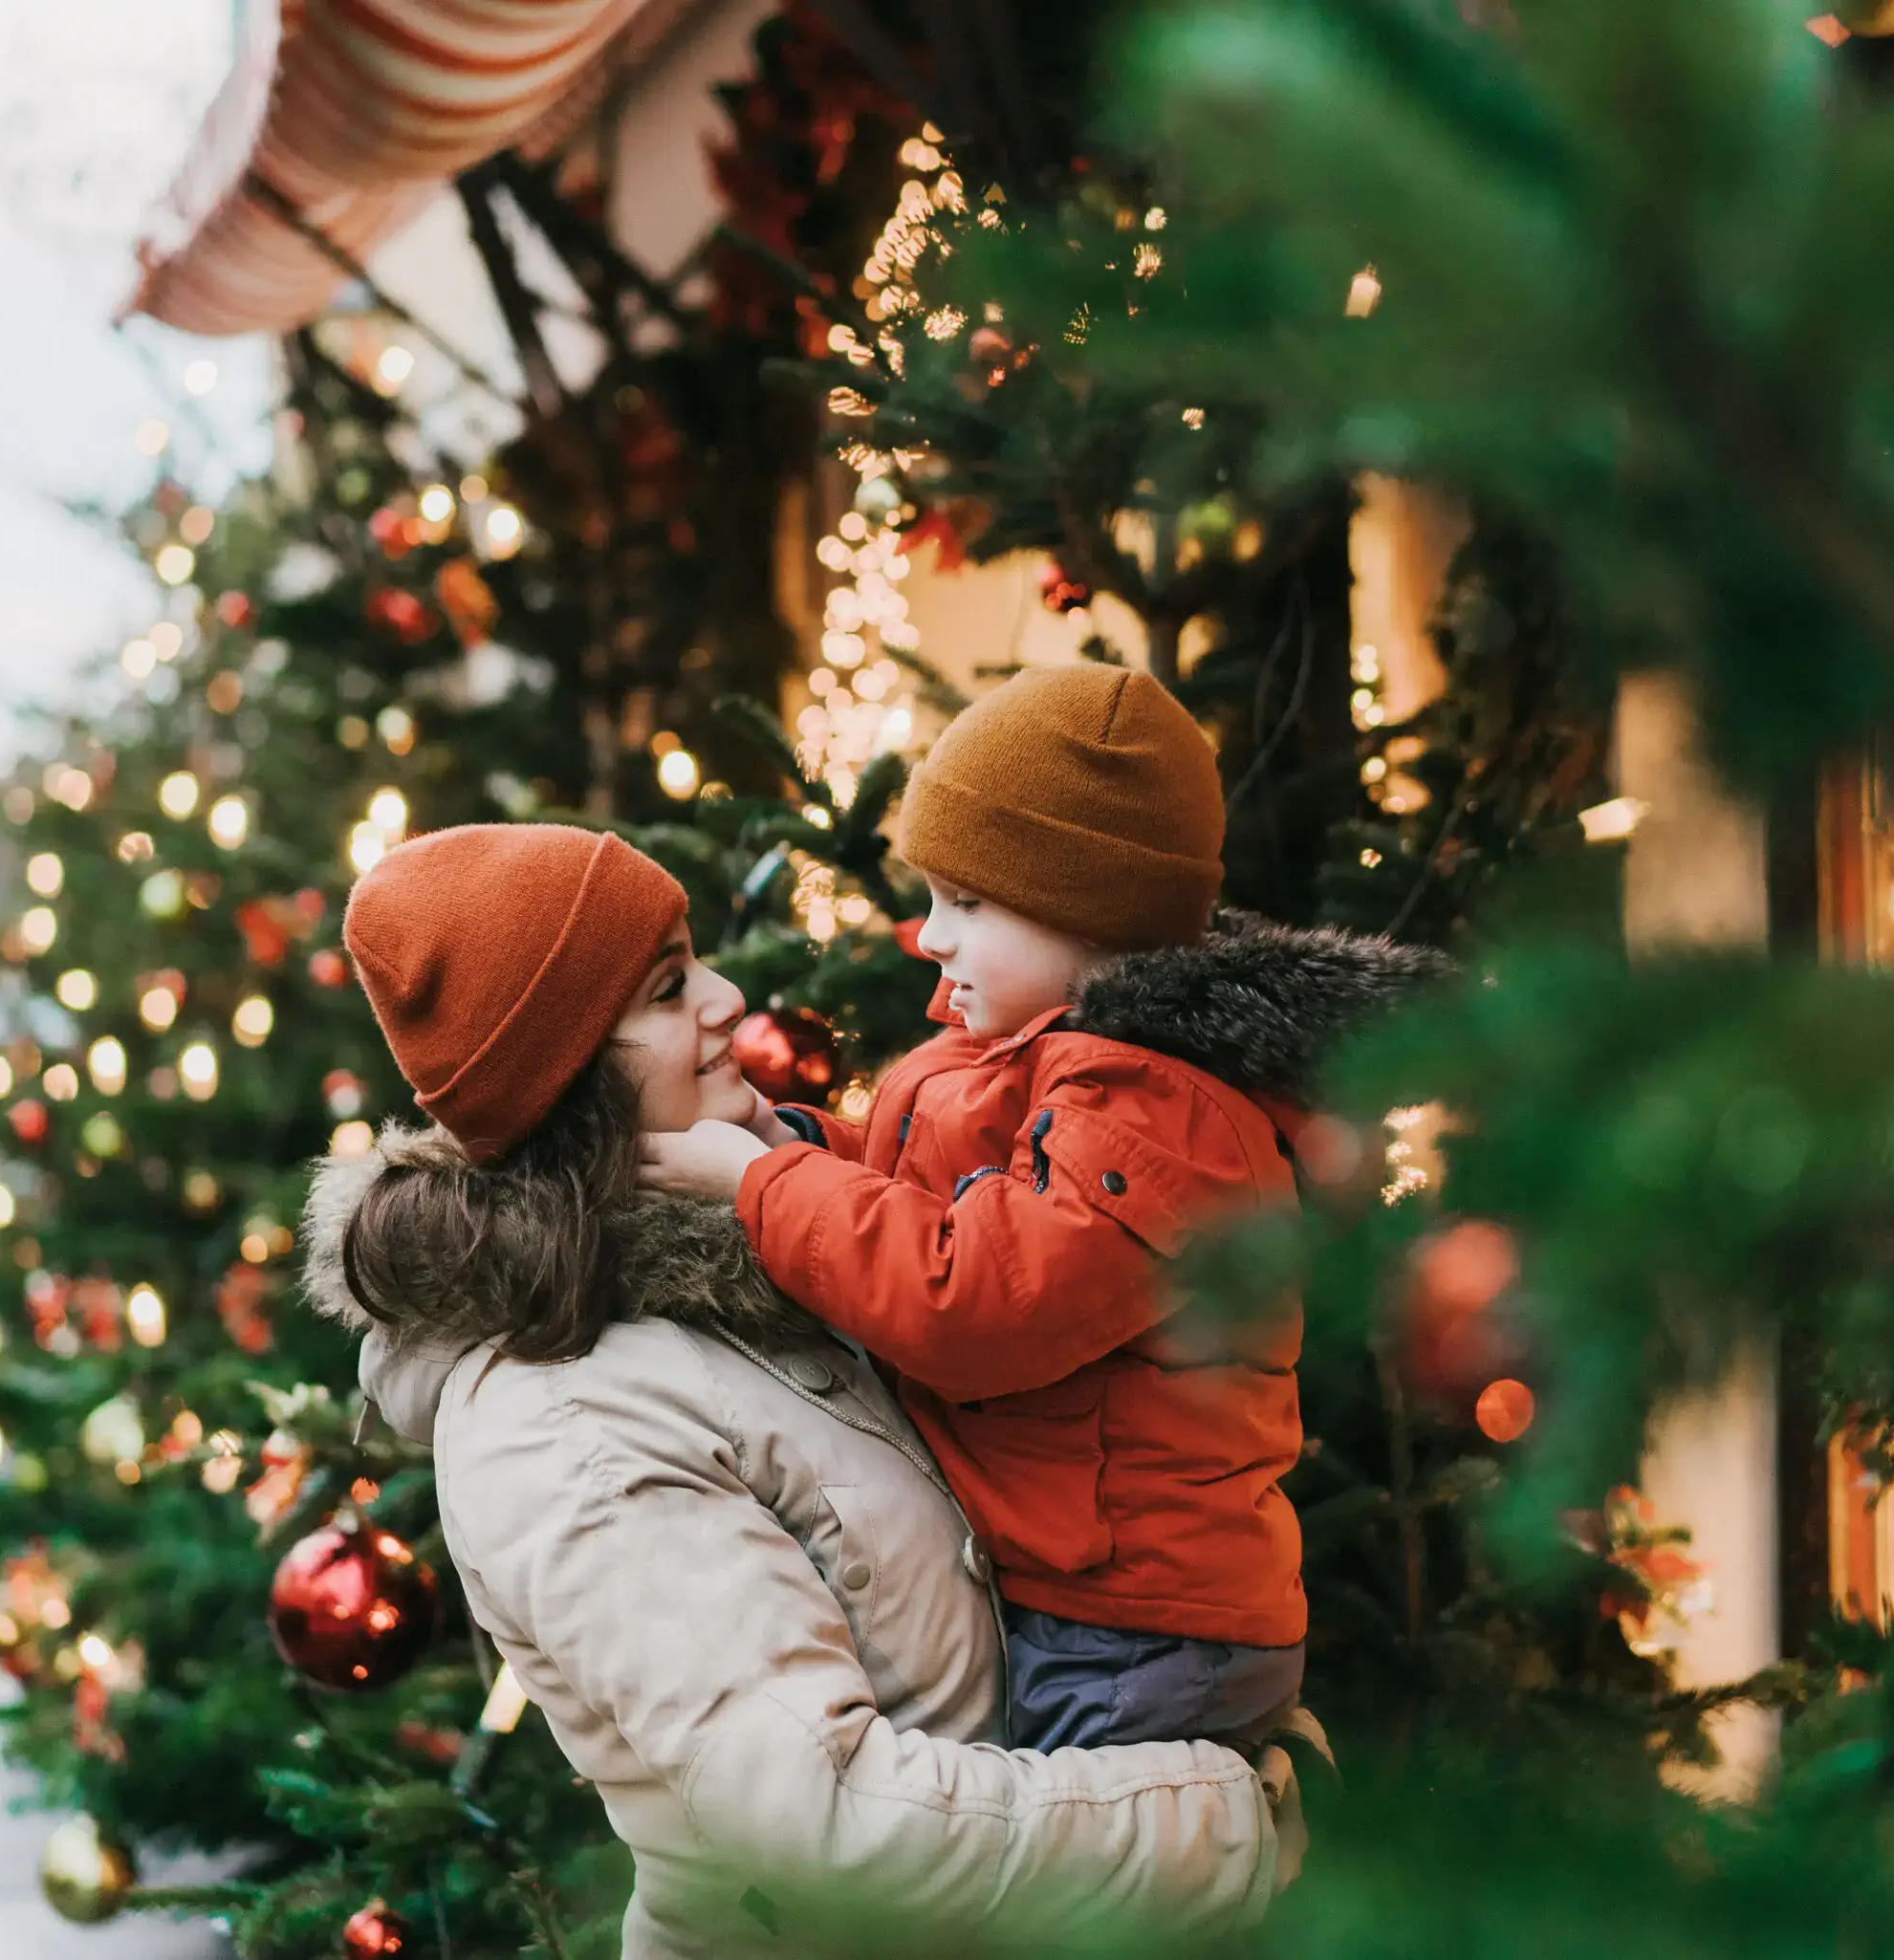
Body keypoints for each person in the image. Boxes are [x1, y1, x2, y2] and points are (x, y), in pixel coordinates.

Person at [302, 821, 1299, 1960]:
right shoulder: (561, 1422)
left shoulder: (763, 1263)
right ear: (568, 1078)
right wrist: (1228, 1820)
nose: (729, 999)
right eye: (672, 988)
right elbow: (826, 1823)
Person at [642, 665, 1445, 1750]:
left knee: (1079, 1898)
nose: (930, 935)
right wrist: (787, 1147)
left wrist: (759, 1185)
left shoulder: (1153, 1110)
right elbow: (919, 1200)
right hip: (1080, 1601)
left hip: (1139, 1632)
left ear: (1090, 911)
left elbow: (976, 1300)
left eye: (967, 904)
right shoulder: (1032, 1062)